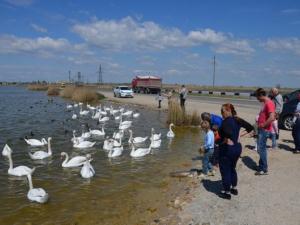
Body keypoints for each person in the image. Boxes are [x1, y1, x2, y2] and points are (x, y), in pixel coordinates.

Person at [218, 103, 253, 200]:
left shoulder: (226, 122)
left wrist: (226, 139)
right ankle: (234, 188)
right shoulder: (237, 119)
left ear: (228, 111)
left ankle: (227, 192)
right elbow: (250, 127)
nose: (221, 114)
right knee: (232, 168)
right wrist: (239, 136)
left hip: (228, 149)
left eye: (223, 112)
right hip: (237, 148)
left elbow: (228, 132)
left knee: (225, 170)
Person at [255, 88, 275, 175]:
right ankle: (261, 165)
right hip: (261, 129)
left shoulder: (269, 103)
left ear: (260, 95)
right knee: (261, 148)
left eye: (257, 97)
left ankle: (264, 168)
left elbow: (272, 117)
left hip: (264, 130)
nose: (257, 99)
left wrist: (263, 125)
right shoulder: (265, 103)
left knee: (261, 149)